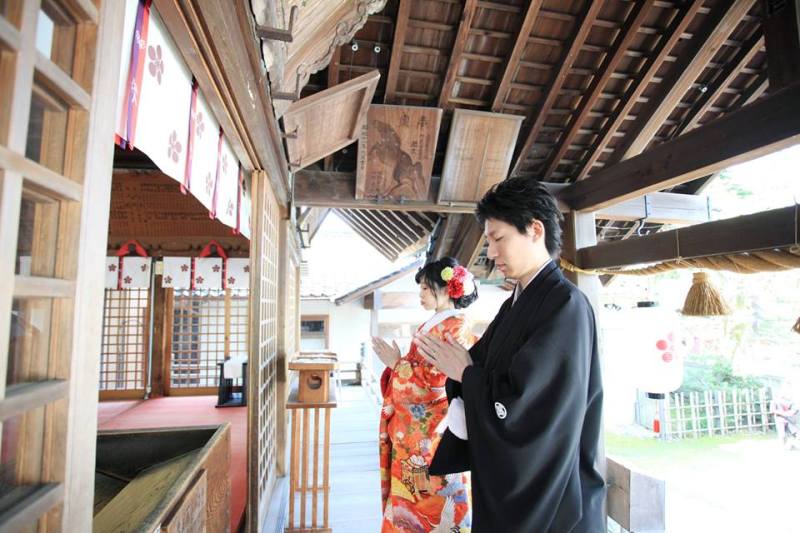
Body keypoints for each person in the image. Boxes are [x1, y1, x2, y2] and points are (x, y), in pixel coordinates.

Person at [413, 177, 606, 532]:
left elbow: (532, 410)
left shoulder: (565, 306)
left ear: (535, 230)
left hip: (557, 505)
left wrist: (467, 376)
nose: (491, 252)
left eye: (498, 238)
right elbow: (477, 369)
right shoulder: (514, 304)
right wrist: (463, 373)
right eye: (489, 240)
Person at [372, 257, 478, 532]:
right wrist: (398, 365)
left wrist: (398, 364)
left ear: (446, 289)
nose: (420, 295)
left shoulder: (456, 327)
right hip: (416, 430)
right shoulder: (436, 323)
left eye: (425, 289)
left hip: (436, 429)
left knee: (436, 491)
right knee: (412, 490)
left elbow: (438, 379)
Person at [771, 385, 799, 449]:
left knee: (794, 432)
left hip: (789, 419)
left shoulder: (788, 401)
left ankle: (793, 445)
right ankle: (785, 446)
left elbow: (793, 409)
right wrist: (781, 413)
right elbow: (772, 411)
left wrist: (790, 413)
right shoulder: (774, 401)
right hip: (780, 419)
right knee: (782, 434)